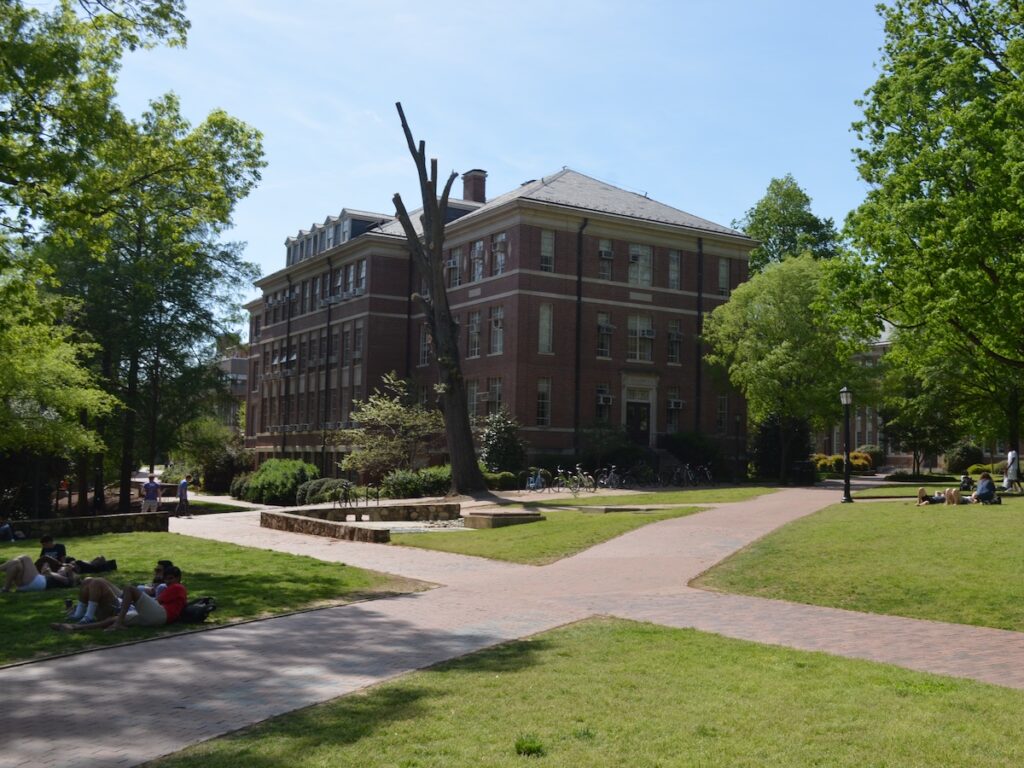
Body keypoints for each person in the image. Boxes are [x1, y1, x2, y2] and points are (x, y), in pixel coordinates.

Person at [52, 566, 187, 631]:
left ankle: (118, 623)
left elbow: (157, 602)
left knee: (129, 588)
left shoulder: (178, 588)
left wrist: (135, 598)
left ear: (178, 578)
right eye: (166, 579)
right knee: (111, 619)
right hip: (155, 616)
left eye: (171, 579)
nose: (168, 582)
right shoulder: (172, 589)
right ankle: (74, 627)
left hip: (160, 615)